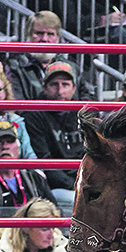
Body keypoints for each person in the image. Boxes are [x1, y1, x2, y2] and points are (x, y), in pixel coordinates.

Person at [24, 61, 85, 210]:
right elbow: (44, 161)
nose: (60, 91)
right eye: (54, 85)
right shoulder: (34, 114)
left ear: (74, 88)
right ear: (44, 87)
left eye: (65, 85)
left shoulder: (85, 113)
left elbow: (93, 154)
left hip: (84, 181)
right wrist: (76, 186)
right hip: (55, 187)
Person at [6, 11, 70, 101]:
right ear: (28, 35)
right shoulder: (14, 66)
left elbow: (86, 101)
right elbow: (17, 105)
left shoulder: (70, 67)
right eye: (39, 33)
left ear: (57, 38)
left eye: (50, 34)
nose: (44, 39)